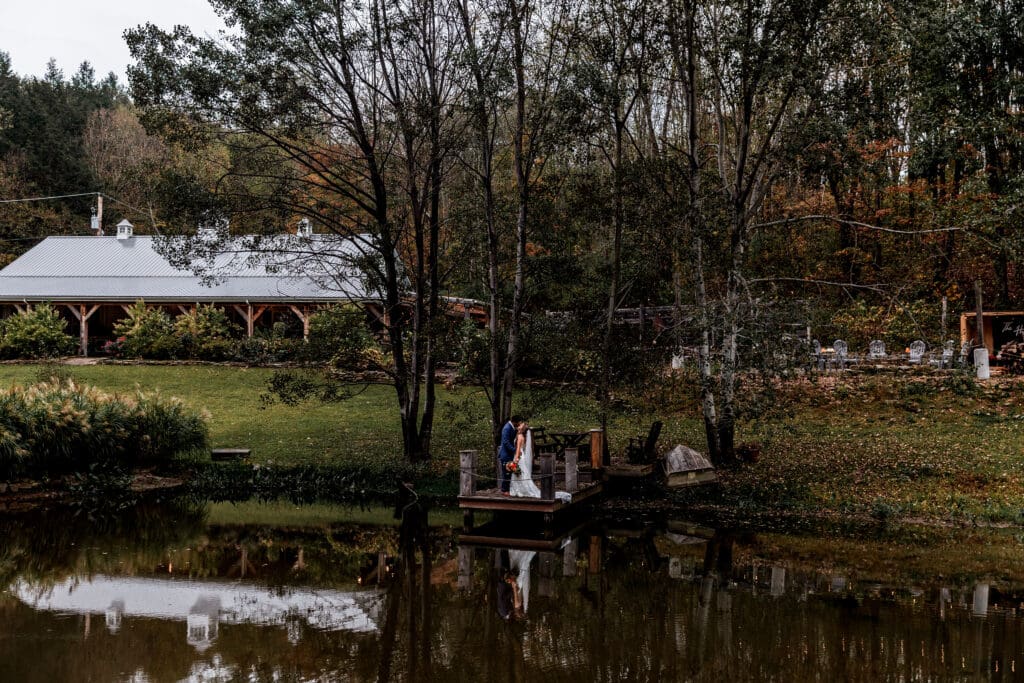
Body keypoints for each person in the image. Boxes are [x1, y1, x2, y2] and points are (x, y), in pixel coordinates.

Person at [510, 421, 542, 498]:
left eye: (520, 425)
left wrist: (516, 459)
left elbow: (518, 449)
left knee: (520, 473)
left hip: (519, 456)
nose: (518, 425)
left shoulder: (520, 436)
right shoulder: (519, 435)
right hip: (520, 455)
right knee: (520, 473)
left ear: (522, 429)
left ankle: (520, 490)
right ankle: (518, 490)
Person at [498, 415, 523, 495]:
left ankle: (507, 489)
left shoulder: (512, 427)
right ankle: (504, 490)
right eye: (519, 422)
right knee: (506, 473)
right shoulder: (507, 428)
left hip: (510, 454)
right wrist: (515, 450)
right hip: (505, 455)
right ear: (515, 421)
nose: (519, 424)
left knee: (511, 472)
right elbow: (506, 442)